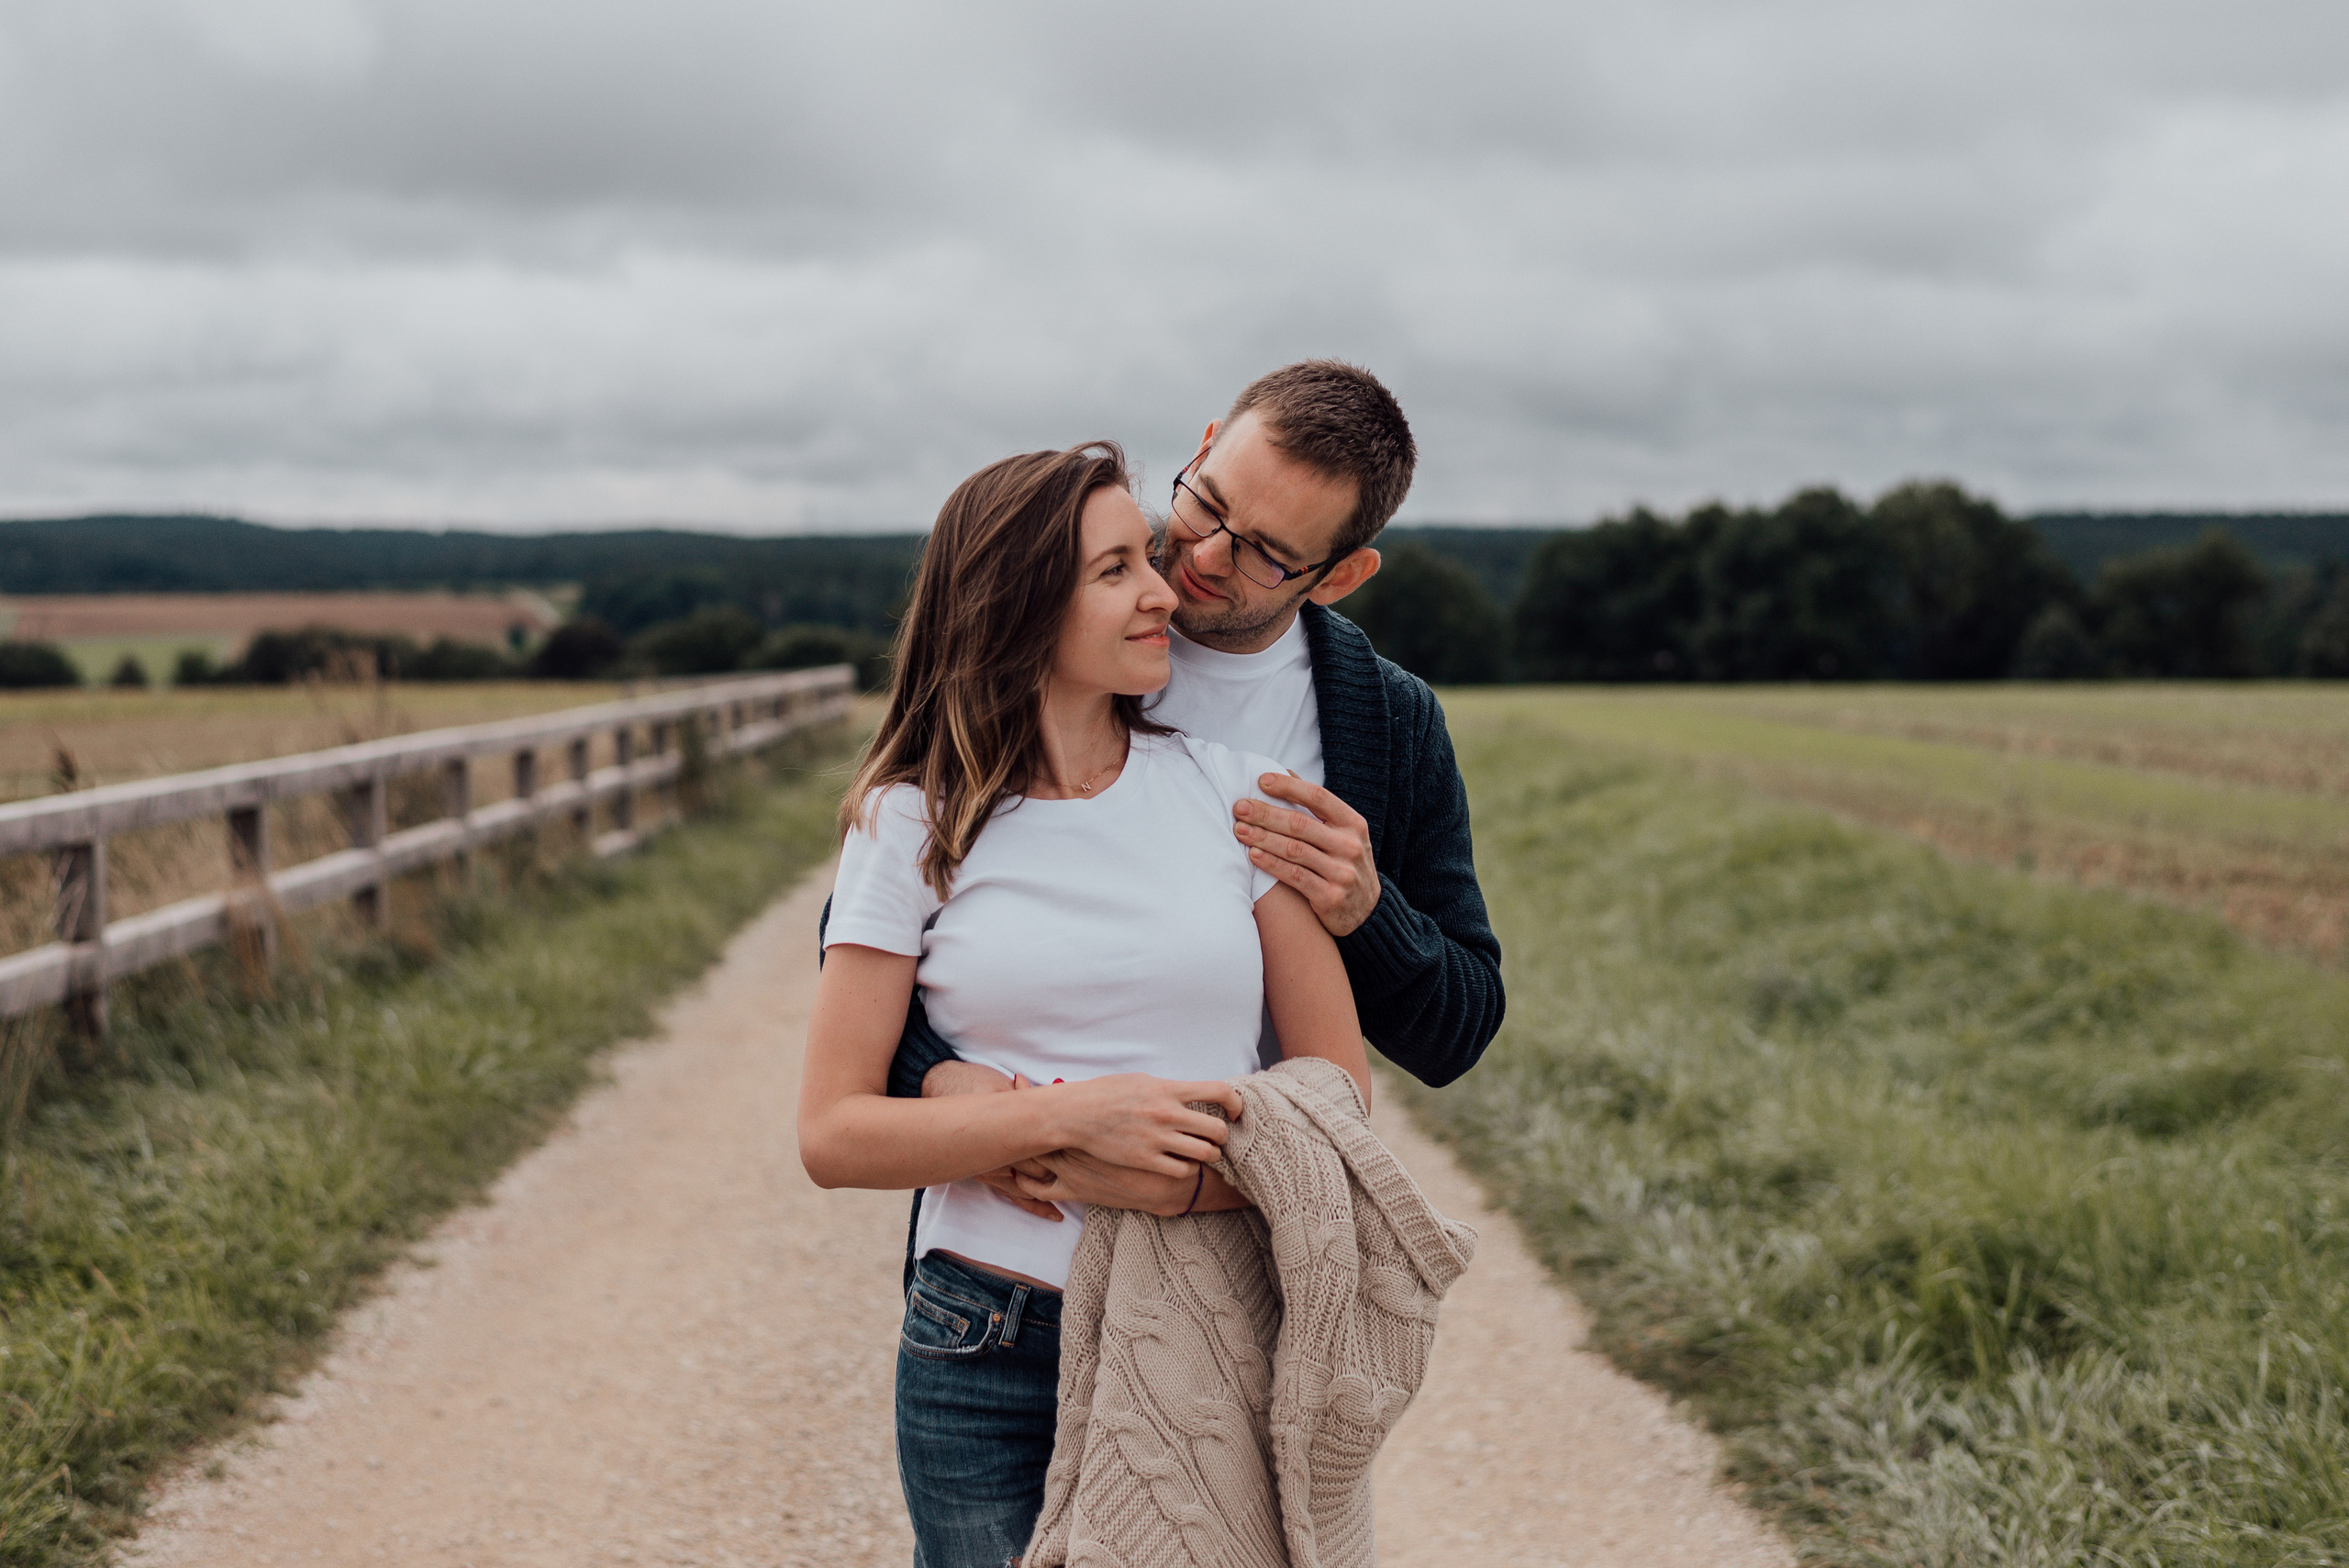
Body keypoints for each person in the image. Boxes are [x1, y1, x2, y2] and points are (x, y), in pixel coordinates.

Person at [800, 441, 1375, 1567]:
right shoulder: (910, 822)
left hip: (1210, 1317)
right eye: (1116, 569)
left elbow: (1337, 1099)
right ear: (1016, 606)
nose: (1164, 587)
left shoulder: (1235, 796)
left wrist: (1189, 1184)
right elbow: (833, 1131)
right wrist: (1068, 1122)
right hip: (985, 1343)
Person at [889, 360, 1504, 1224]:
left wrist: (1369, 912)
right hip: (1003, 1244)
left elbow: (1458, 1031)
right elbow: (875, 911)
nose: (1207, 555)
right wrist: (940, 1077)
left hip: (1232, 1231)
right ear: (1204, 446)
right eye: (1206, 502)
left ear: (1339, 576)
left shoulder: (1390, 721)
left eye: (1267, 553)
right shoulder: (1051, 647)